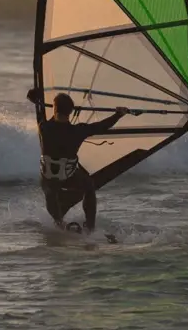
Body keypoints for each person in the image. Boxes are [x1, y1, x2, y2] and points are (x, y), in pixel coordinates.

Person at [27, 88, 128, 232]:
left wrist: (38, 101)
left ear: (54, 110)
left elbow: (41, 114)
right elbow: (101, 127)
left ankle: (58, 223)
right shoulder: (79, 131)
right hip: (69, 176)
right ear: (71, 112)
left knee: (50, 191)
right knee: (89, 186)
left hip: (49, 178)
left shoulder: (44, 128)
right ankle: (91, 227)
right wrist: (118, 114)